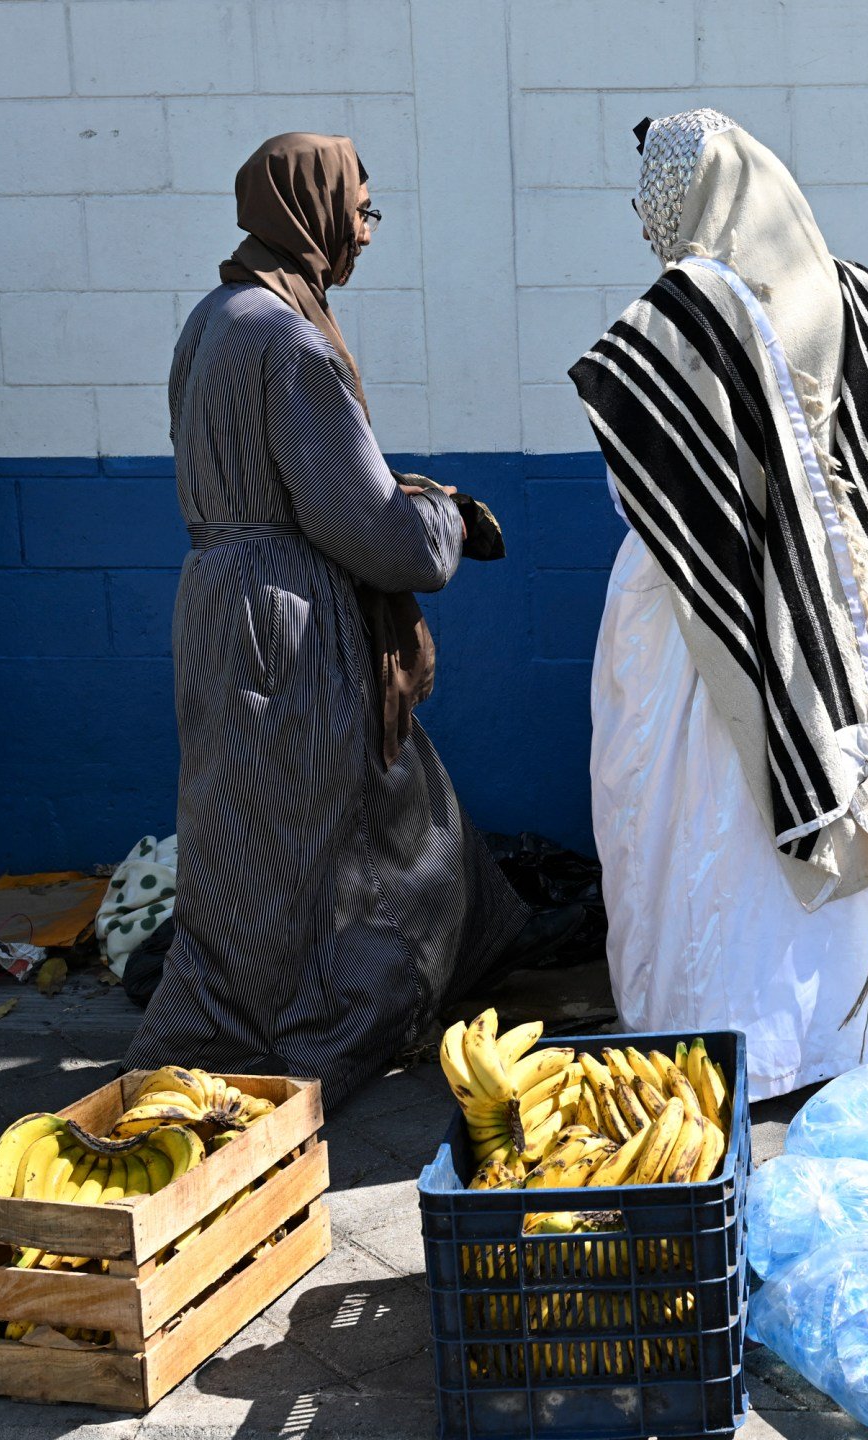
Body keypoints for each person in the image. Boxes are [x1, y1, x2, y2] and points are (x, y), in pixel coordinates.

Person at [126, 133, 528, 1106]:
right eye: (359, 209)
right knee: (322, 842)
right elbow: (376, 533)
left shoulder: (213, 318)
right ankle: (318, 1033)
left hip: (221, 608)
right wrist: (444, 515)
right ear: (308, 209)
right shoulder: (291, 342)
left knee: (243, 834)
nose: (364, 232)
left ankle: (213, 1026)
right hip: (290, 625)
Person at [570, 109, 868, 1101]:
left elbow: (646, 488)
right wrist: (831, 557)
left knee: (716, 834)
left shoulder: (686, 310)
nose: (641, 207)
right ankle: (849, 1044)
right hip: (852, 635)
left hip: (708, 628)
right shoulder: (858, 297)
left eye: (654, 184)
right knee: (832, 807)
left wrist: (773, 560)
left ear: (690, 190)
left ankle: (730, 1045)